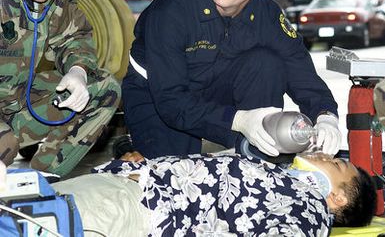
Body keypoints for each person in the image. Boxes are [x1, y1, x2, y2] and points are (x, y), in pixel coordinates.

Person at [121, 0, 341, 160]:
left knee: (267, 63)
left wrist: (325, 115)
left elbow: (298, 68)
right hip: (157, 96)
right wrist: (239, 120)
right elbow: (171, 101)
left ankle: (257, 148)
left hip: (212, 86)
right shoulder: (172, 10)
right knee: (172, 175)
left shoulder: (266, 15)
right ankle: (131, 148)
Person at [0, 0, 121, 176]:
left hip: (16, 101)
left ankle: (42, 183)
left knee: (104, 89)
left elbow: (74, 36)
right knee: (5, 145)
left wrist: (78, 71)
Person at [52, 152, 377, 236]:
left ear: (338, 198)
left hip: (131, 211)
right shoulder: (282, 181)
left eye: (336, 164)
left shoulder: (309, 212)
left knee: (24, 219)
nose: (324, 155)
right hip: (121, 188)